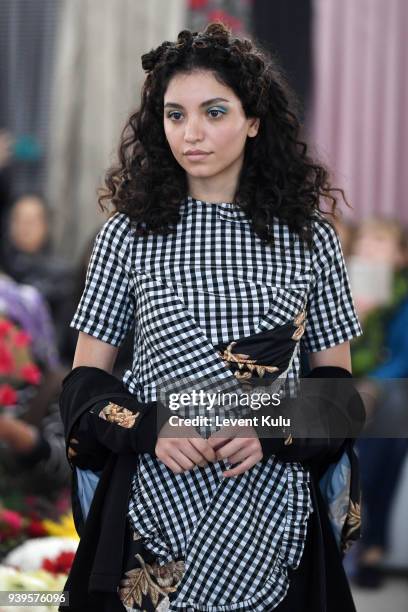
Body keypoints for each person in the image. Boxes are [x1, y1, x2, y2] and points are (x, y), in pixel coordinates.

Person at [61, 23, 364, 611]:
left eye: (214, 112)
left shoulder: (310, 240)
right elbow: (84, 386)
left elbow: (339, 396)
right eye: (175, 115)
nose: (191, 133)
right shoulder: (127, 235)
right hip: (150, 509)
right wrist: (149, 426)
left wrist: (271, 428)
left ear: (254, 121)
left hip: (275, 512)